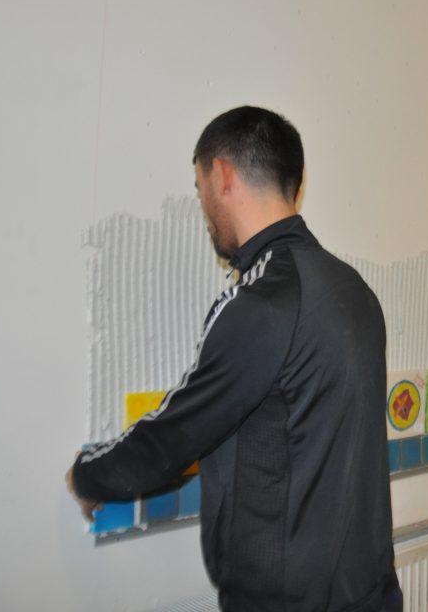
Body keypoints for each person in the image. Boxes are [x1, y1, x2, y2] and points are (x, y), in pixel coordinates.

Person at [66, 106, 400, 612]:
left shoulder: (263, 302)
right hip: (370, 593)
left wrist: (86, 474)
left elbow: (174, 435)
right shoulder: (355, 291)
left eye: (199, 185)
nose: (203, 204)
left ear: (220, 174)